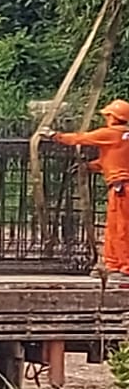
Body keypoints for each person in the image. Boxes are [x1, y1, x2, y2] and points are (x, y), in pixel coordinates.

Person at [44, 98, 129, 274]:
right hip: (119, 187)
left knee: (122, 228)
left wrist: (55, 135)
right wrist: (88, 166)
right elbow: (110, 161)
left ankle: (125, 266)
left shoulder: (111, 134)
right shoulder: (123, 138)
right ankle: (112, 264)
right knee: (113, 228)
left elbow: (81, 138)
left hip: (123, 188)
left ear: (113, 117)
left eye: (108, 115)